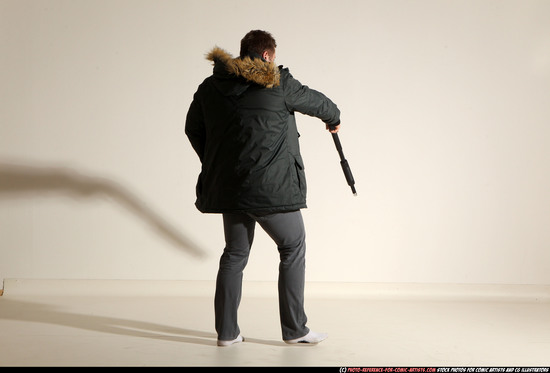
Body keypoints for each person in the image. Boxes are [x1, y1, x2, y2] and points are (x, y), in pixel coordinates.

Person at [185, 30, 341, 346]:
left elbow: (193, 128)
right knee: (293, 245)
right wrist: (334, 118)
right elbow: (319, 103)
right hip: (271, 188)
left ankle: (227, 334)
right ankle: (295, 330)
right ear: (267, 55)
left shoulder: (211, 87)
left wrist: (218, 163)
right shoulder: (277, 82)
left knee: (235, 253)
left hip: (231, 187)